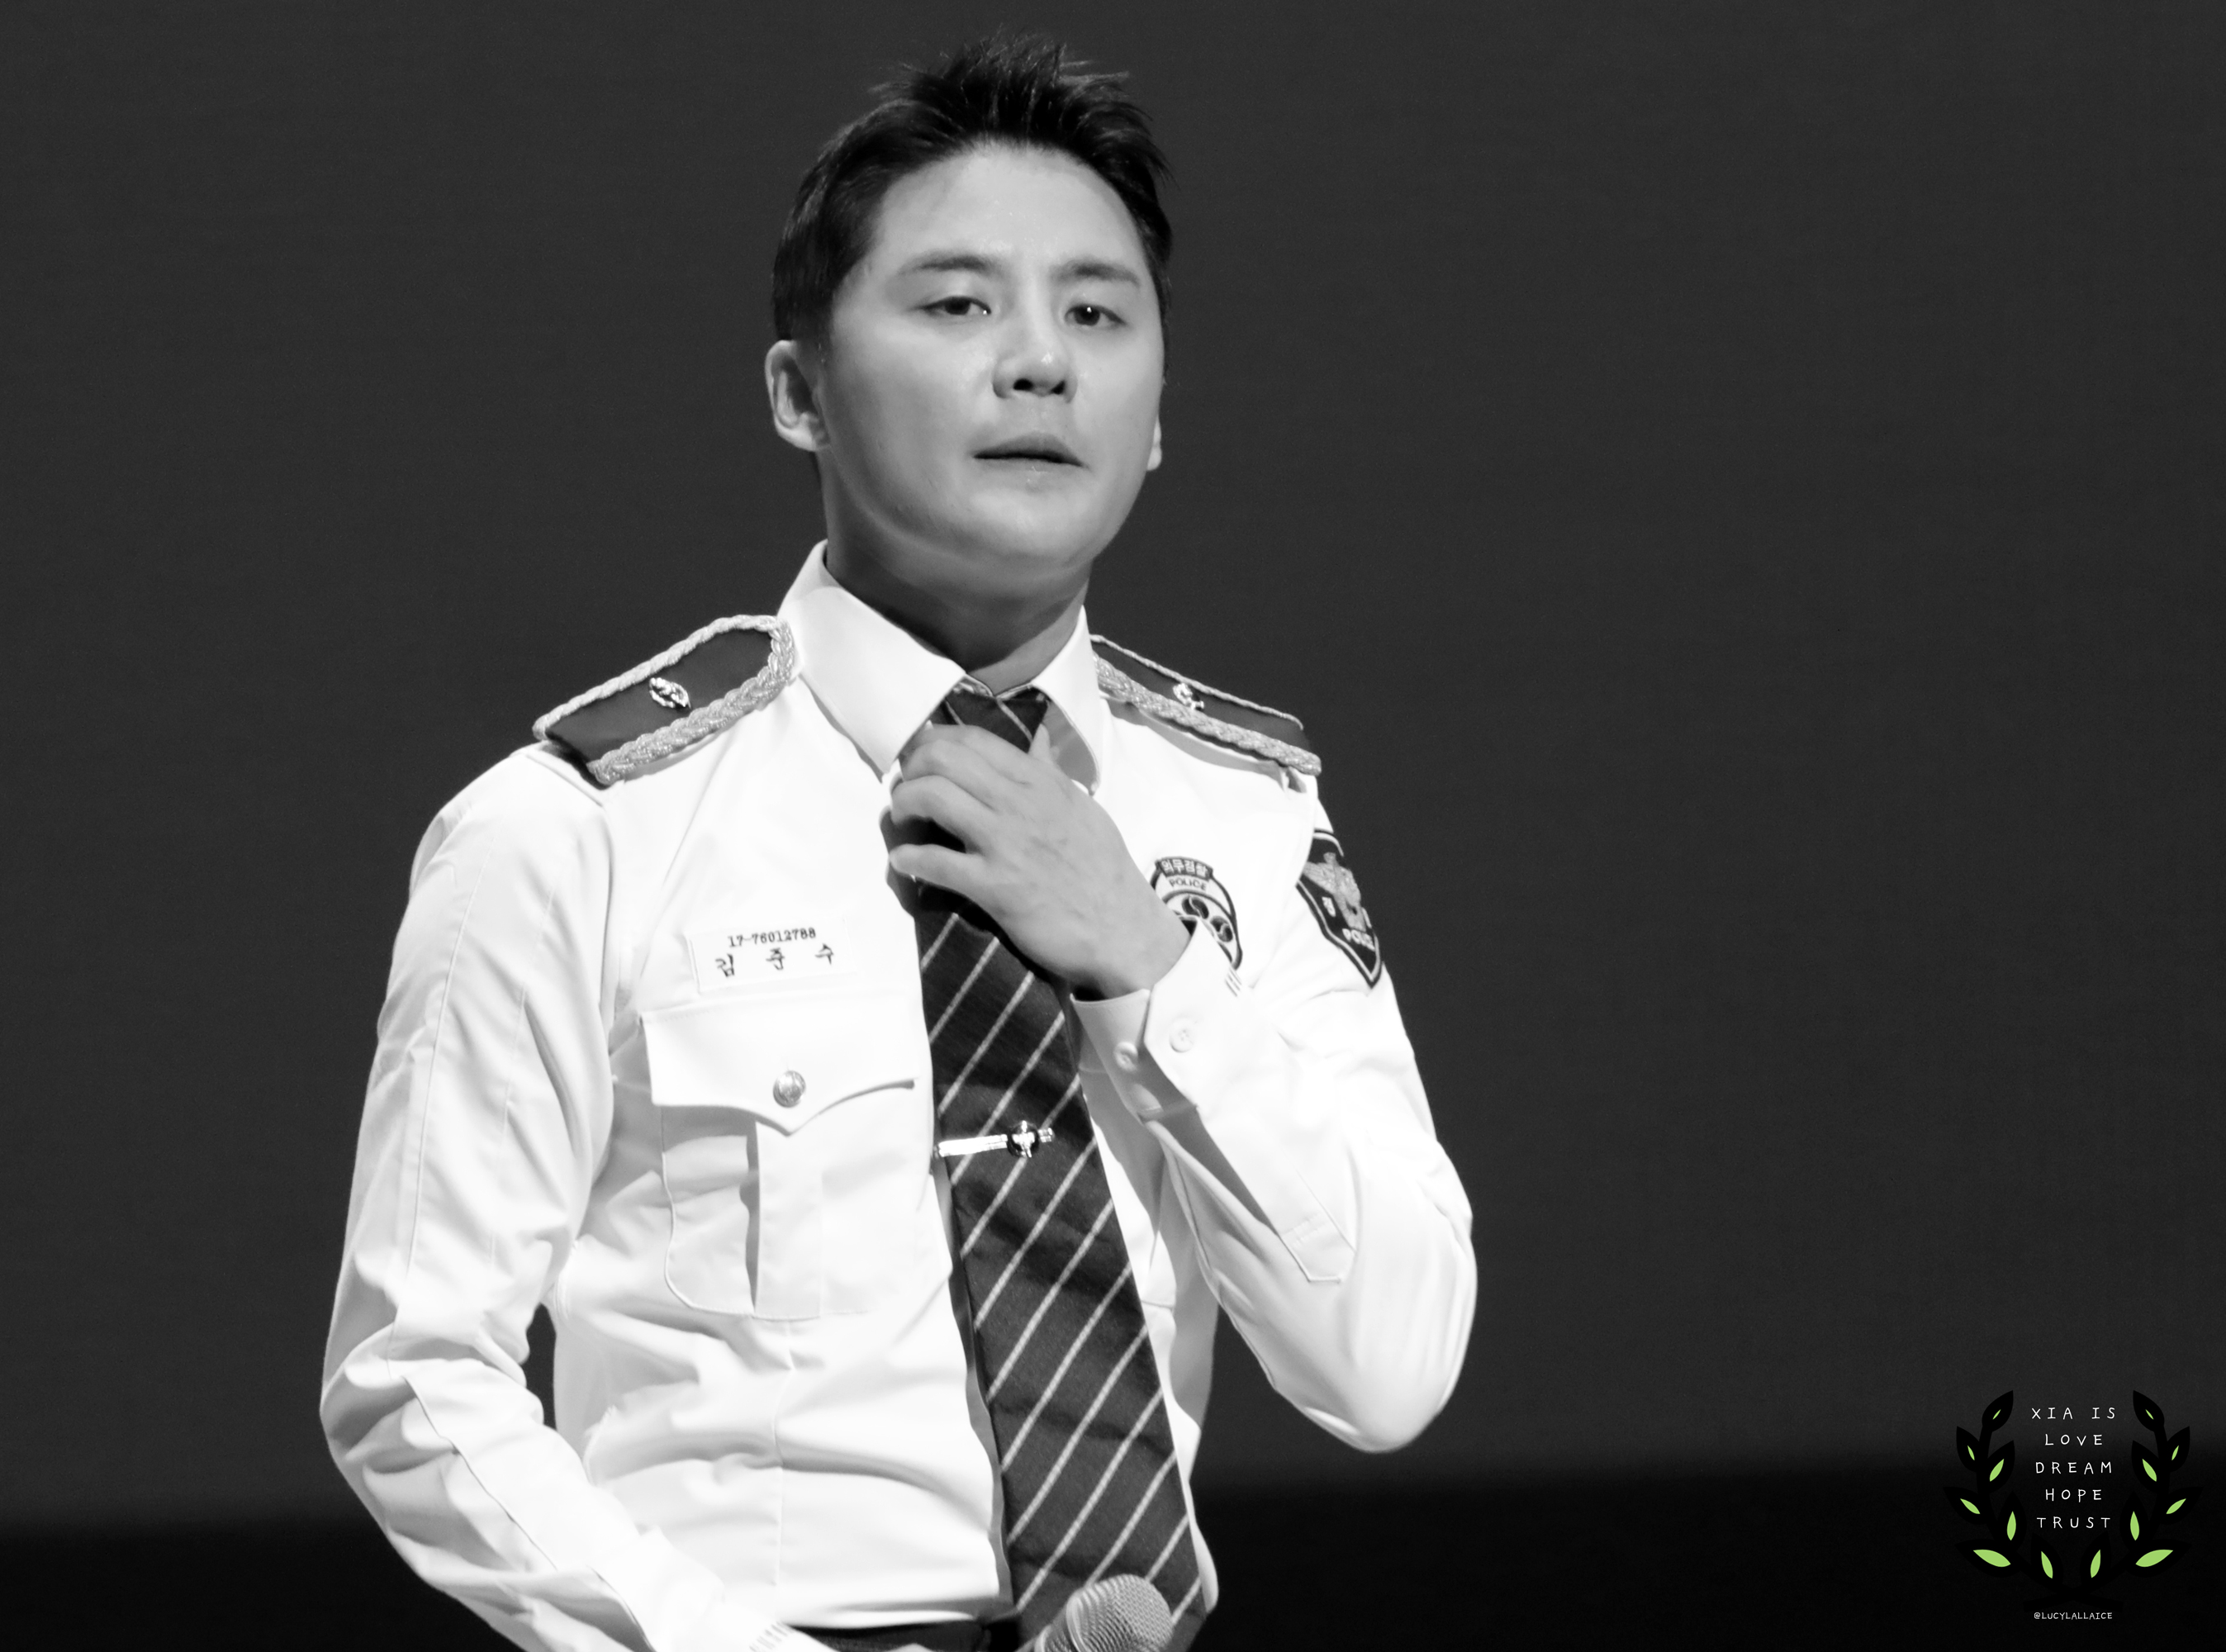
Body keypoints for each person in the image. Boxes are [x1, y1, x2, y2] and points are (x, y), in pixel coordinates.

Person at [320, 35, 1474, 1652]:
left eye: (1097, 314)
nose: (1040, 362)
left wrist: (1148, 970)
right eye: (957, 305)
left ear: (1156, 417)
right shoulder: (581, 827)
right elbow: (415, 1382)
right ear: (798, 393)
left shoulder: (1246, 813)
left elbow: (1390, 1368)